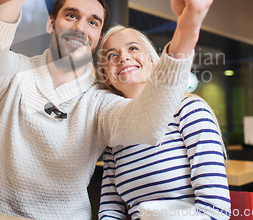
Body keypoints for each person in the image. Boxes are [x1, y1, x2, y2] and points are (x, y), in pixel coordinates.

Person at [0, 0, 217, 219]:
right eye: (71, 16)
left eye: (93, 22)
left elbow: (148, 123)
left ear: (98, 37)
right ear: (51, 23)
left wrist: (188, 28)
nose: (81, 27)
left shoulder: (100, 102)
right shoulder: (13, 74)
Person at [97, 26, 230, 220]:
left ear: (152, 61)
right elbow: (111, 210)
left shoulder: (189, 109)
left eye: (132, 48)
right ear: (107, 77)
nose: (123, 57)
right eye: (111, 55)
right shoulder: (113, 133)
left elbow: (215, 209)